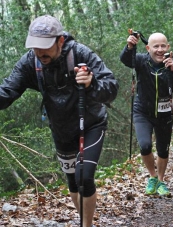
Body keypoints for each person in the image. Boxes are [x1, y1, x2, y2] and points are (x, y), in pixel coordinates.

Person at [0, 15, 119, 227]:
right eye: (35, 47)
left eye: (45, 47)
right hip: (61, 128)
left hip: (90, 123)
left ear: (60, 41)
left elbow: (111, 87)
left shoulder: (81, 53)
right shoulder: (30, 61)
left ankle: (87, 225)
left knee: (84, 177)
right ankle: (83, 219)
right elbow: (8, 91)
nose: (40, 53)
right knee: (73, 182)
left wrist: (91, 84)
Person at [120, 32, 173, 197]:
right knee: (145, 145)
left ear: (168, 47)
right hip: (143, 111)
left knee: (163, 150)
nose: (159, 50)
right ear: (148, 48)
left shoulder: (172, 62)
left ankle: (161, 180)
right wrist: (129, 47)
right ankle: (152, 177)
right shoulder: (141, 61)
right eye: (155, 46)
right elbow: (125, 59)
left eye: (162, 46)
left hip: (165, 113)